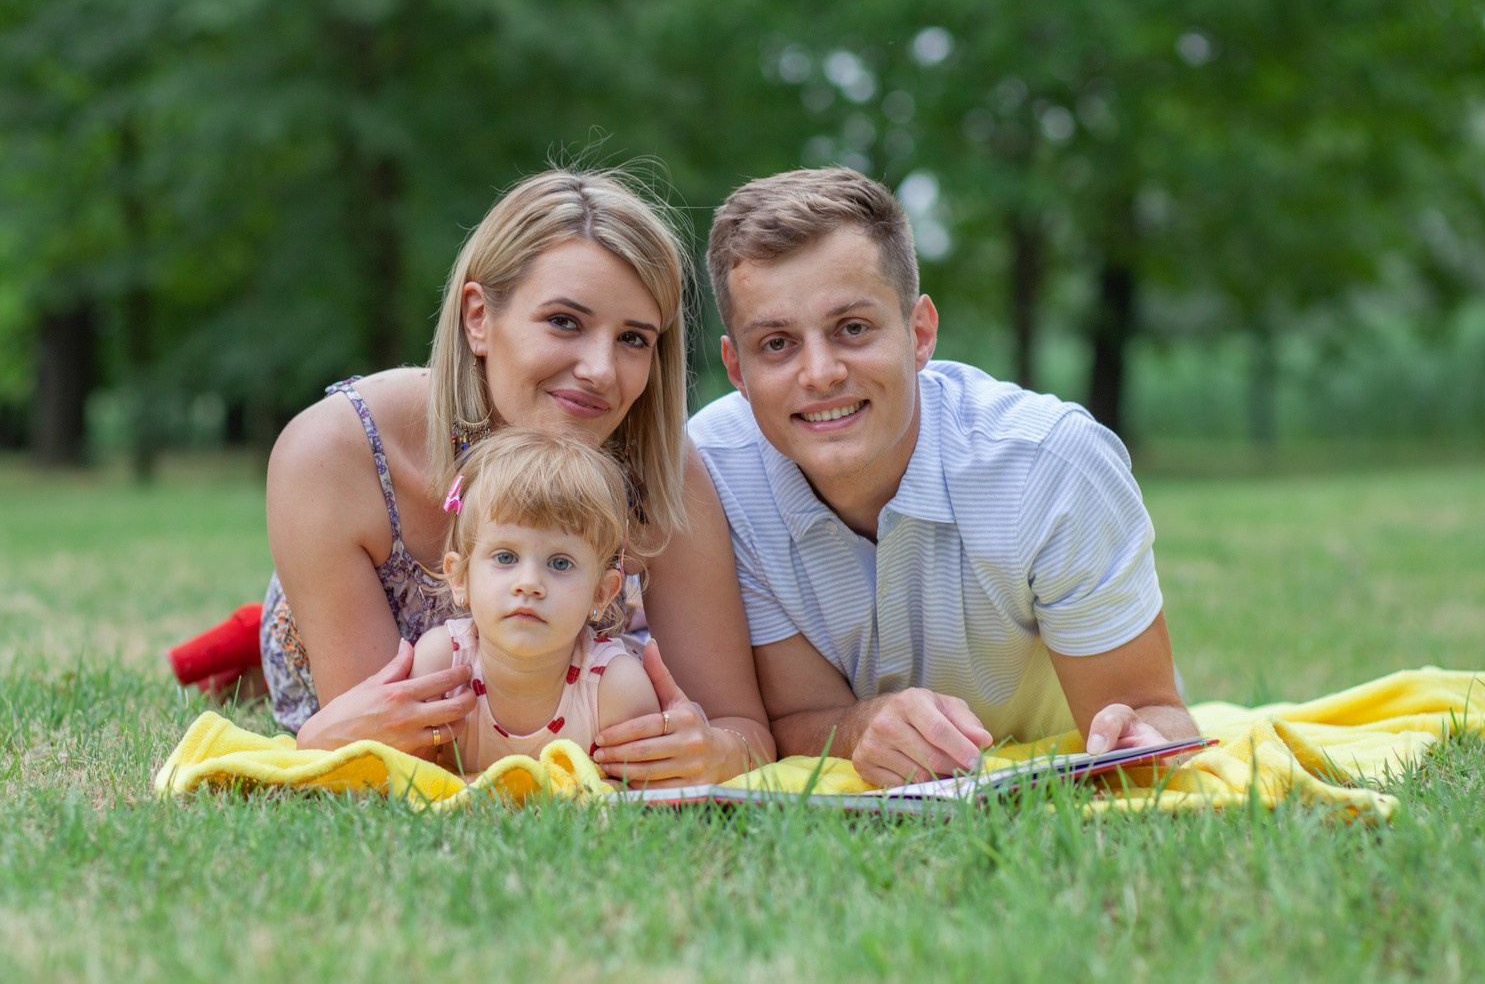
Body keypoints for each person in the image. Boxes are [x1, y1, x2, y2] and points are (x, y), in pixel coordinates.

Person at [688, 166, 1199, 788]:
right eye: (776, 343)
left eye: (852, 329)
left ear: (919, 332)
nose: (819, 373)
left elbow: (1156, 715)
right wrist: (858, 728)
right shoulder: (712, 473)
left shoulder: (1051, 465)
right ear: (736, 368)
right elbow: (790, 717)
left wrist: (1146, 740)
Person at [262, 168, 771, 784]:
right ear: (479, 317)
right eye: (564, 321)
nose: (601, 371)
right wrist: (321, 737)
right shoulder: (339, 454)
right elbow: (402, 758)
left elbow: (741, 727)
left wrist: (711, 751)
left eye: (634, 338)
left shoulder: (659, 467)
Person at [409, 427, 659, 775]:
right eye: (506, 557)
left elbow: (640, 797)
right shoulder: (443, 666)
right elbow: (410, 781)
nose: (528, 584)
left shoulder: (615, 688)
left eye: (560, 563)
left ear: (602, 592)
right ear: (460, 576)